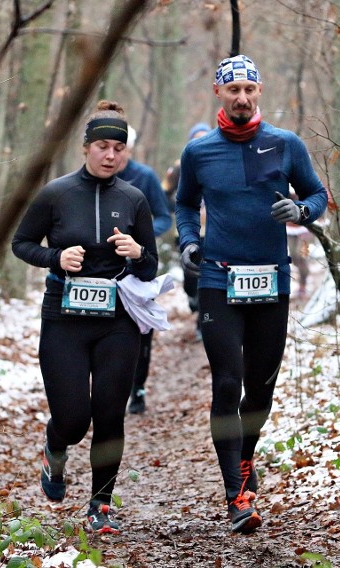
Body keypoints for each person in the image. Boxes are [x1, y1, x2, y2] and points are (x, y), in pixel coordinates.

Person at [175, 55, 328, 534]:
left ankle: (244, 458)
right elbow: (183, 205)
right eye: (233, 90)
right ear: (219, 94)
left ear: (259, 91)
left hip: (271, 278)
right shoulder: (199, 153)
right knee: (227, 382)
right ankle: (236, 494)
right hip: (219, 279)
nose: (242, 98)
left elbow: (318, 195)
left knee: (261, 385)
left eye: (249, 89)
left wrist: (301, 209)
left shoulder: (286, 145)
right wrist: (189, 242)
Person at [11, 100, 158, 534]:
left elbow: (149, 266)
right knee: (74, 418)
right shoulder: (56, 193)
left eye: (118, 148)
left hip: (117, 320)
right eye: (102, 146)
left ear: (126, 153)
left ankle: (101, 505)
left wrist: (137, 253)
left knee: (110, 413)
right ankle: (55, 450)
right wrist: (57, 256)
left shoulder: (134, 199)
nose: (110, 155)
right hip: (64, 318)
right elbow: (21, 243)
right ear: (85, 148)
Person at [117, 126, 172, 415]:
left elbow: (163, 217)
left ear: (131, 148)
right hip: (102, 269)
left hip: (139, 265)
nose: (115, 154)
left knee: (141, 329)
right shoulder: (93, 175)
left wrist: (144, 239)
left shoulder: (145, 177)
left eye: (122, 147)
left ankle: (138, 387)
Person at [163, 122, 212, 341]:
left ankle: (204, 322)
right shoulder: (179, 166)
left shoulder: (218, 163)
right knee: (191, 277)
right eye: (196, 138)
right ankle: (192, 297)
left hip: (212, 232)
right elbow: (163, 195)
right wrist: (182, 207)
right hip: (185, 231)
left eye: (204, 137)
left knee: (207, 278)